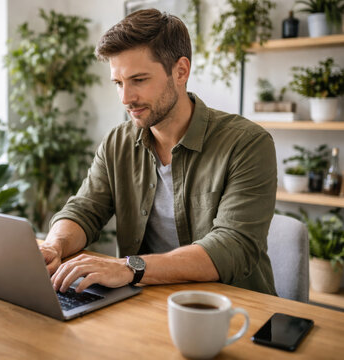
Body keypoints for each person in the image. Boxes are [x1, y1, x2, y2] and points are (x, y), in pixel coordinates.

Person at [39, 9, 277, 296]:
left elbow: (233, 246)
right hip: (146, 303)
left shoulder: (247, 144)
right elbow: (84, 210)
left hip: (229, 307)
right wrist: (55, 244)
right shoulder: (118, 142)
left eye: (138, 80)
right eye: (118, 83)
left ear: (180, 71)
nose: (126, 98)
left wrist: (130, 268)